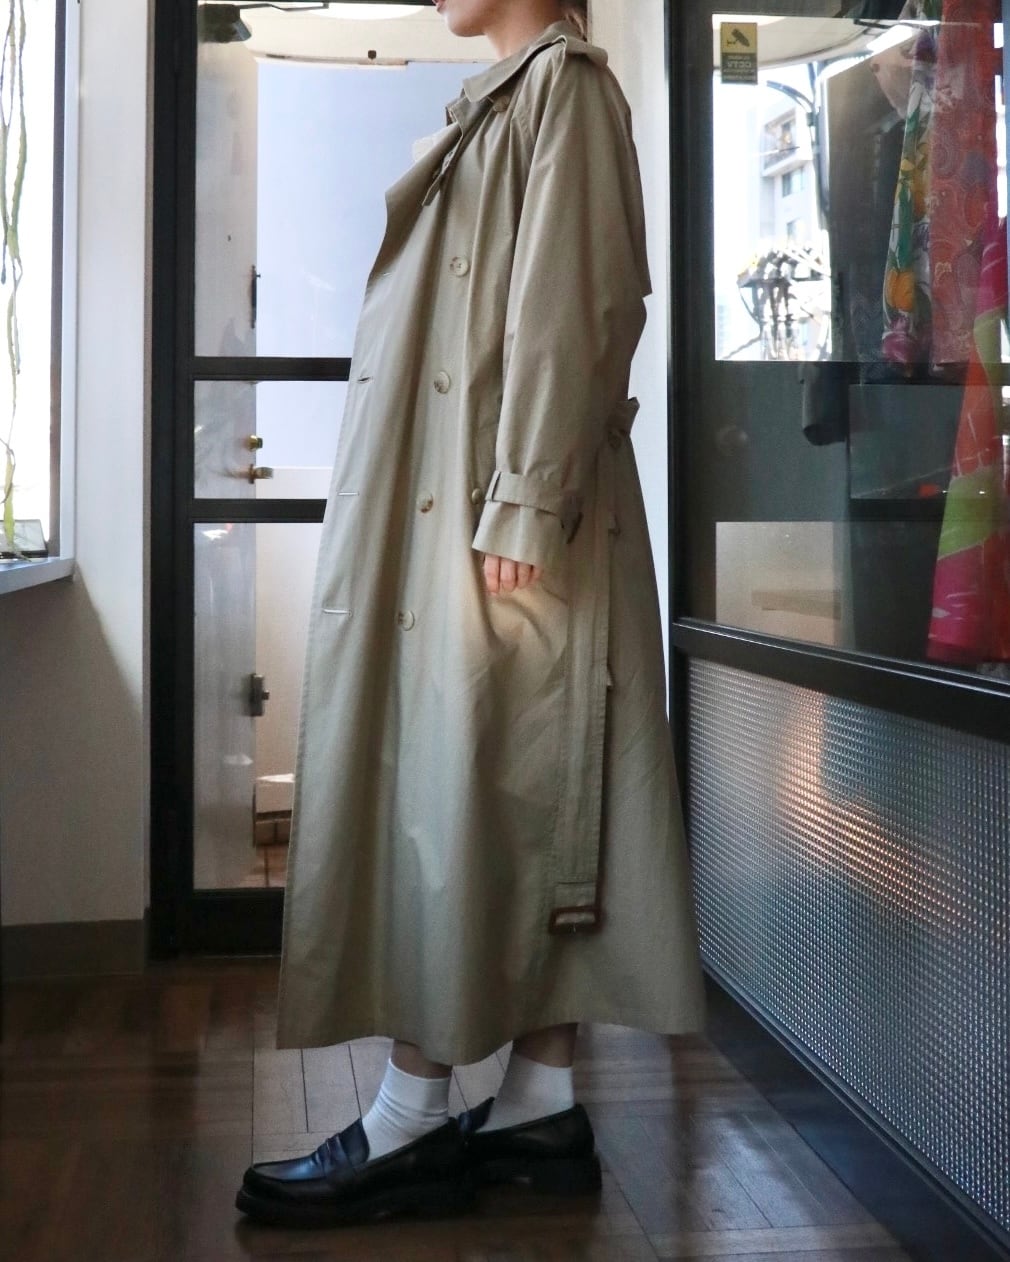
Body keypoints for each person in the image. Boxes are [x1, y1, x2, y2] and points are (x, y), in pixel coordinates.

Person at [236, 0, 705, 1228]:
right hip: (482, 516)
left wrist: (525, 501)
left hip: (512, 528)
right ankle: (536, 1102)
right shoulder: (509, 99)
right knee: (503, 791)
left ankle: (412, 1111)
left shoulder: (565, 89)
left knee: (480, 793)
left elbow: (577, 305)